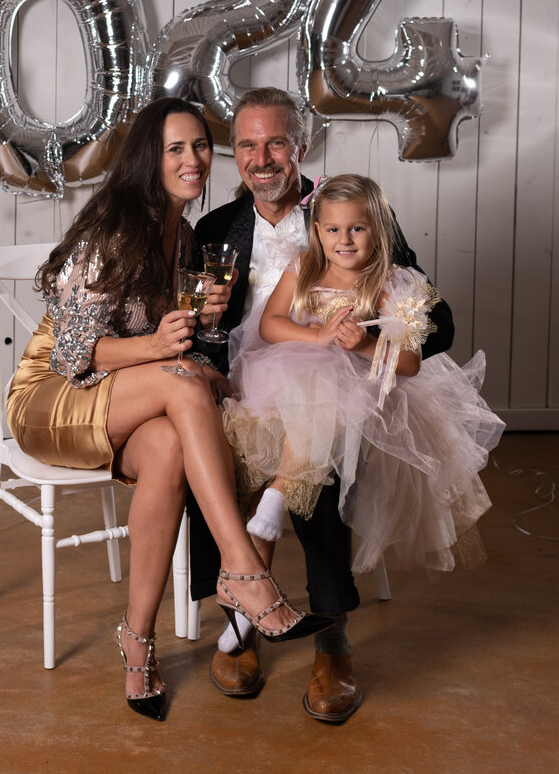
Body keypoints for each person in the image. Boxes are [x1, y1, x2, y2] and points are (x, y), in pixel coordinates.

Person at [4, 97, 331, 723]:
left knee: (173, 445)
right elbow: (73, 353)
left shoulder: (186, 235)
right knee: (184, 387)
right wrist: (162, 349)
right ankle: (242, 569)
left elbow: (176, 347)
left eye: (201, 146)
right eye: (175, 148)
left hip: (121, 394)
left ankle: (137, 643)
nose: (193, 159)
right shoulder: (118, 225)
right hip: (53, 395)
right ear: (148, 159)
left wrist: (203, 332)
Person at [191, 87, 456, 722]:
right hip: (243, 384)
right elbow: (195, 323)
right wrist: (201, 327)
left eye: (276, 142)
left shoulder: (348, 211)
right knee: (205, 443)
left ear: (300, 147)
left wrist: (375, 338)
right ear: (235, 154)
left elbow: (432, 317)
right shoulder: (214, 229)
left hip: (346, 386)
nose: (262, 158)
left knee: (319, 450)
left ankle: (332, 637)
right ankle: (247, 613)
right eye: (248, 145)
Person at [224, 173, 504, 581]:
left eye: (357, 228)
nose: (346, 240)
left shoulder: (390, 282)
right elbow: (270, 325)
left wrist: (364, 345)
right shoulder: (304, 267)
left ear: (379, 229)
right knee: (304, 396)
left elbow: (409, 363)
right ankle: (253, 573)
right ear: (317, 232)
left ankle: (278, 495)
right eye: (334, 229)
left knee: (329, 397)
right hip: (298, 375)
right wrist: (317, 336)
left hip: (365, 386)